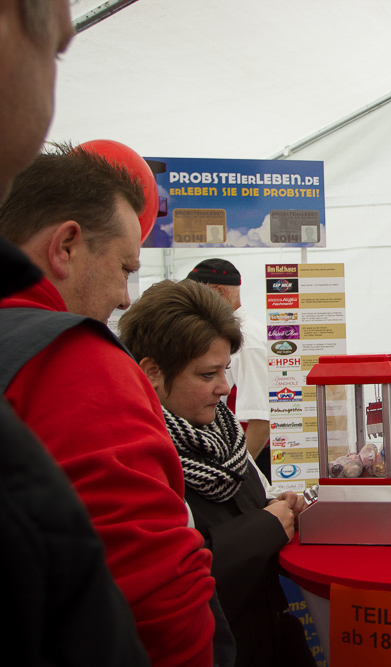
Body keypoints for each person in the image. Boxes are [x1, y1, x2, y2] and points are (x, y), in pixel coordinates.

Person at [0, 144, 217, 666]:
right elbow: (154, 588)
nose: (125, 298)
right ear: (66, 246)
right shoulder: (74, 360)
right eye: (124, 268)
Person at [120, 279, 314, 667]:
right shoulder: (132, 456)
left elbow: (250, 506)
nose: (225, 388)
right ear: (152, 371)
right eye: (208, 375)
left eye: (225, 370)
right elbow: (167, 579)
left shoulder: (224, 434)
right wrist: (266, 526)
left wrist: (280, 506)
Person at [186, 258, 272, 480]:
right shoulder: (228, 333)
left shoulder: (247, 340)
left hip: (252, 456)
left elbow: (261, 420)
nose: (191, 303)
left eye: (197, 295)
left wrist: (237, 475)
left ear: (219, 292)